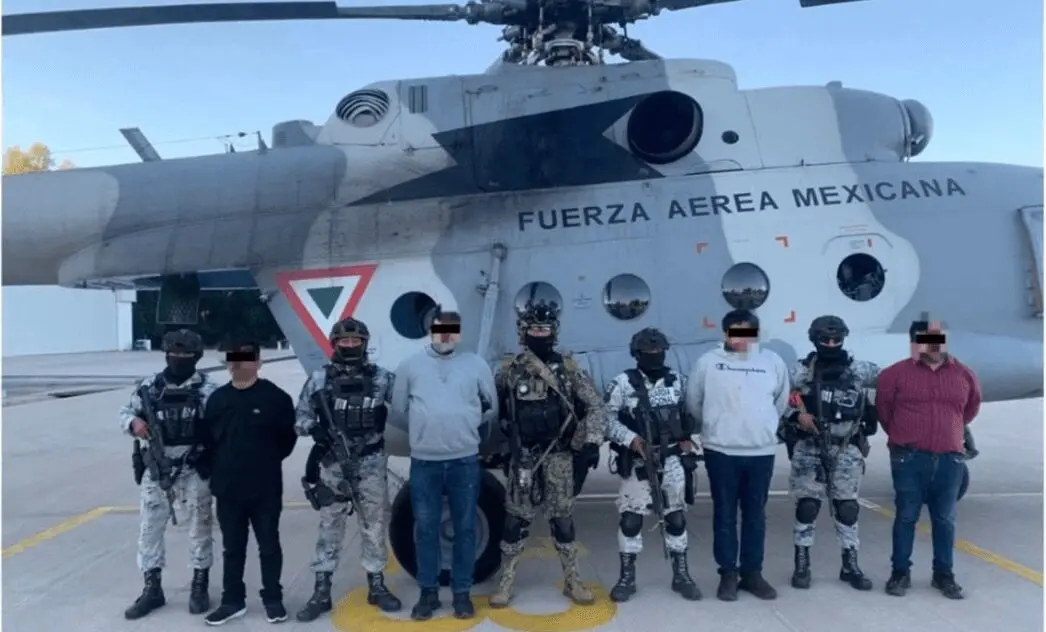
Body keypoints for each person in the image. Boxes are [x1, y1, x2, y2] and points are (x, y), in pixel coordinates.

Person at [489, 300, 605, 608]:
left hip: (558, 458)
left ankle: (573, 581)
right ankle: (505, 584)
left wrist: (588, 441)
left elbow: (594, 406)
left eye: (544, 329)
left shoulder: (568, 370)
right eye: (533, 329)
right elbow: (494, 413)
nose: (539, 334)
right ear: (522, 332)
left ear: (553, 332)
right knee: (515, 522)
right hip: (524, 458)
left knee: (563, 522)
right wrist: (504, 445)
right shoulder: (509, 372)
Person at [390, 309, 498, 621]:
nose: (446, 335)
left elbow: (490, 407)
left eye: (452, 329)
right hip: (425, 461)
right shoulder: (410, 366)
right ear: (431, 331)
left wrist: (461, 426)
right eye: (440, 329)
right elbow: (399, 410)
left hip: (464, 459)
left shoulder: (476, 365)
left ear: (459, 333)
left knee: (464, 528)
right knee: (426, 529)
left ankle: (462, 594)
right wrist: (427, 430)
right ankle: (428, 594)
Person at [295, 317, 402, 622]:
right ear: (335, 344)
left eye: (356, 341)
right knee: (330, 526)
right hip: (333, 466)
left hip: (370, 464)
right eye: (345, 341)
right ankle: (321, 590)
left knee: (373, 525)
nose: (351, 346)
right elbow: (300, 416)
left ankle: (377, 584)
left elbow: (407, 406)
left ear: (364, 343)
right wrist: (315, 430)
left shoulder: (382, 378)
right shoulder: (319, 380)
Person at [684, 309, 789, 602]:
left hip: (760, 452)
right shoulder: (708, 362)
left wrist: (762, 428)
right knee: (725, 514)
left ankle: (752, 573)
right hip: (721, 450)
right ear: (726, 333)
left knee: (755, 515)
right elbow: (694, 402)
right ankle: (728, 574)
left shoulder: (772, 362)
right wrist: (717, 425)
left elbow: (780, 402)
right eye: (735, 331)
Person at [877, 320, 982, 600]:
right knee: (906, 516)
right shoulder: (894, 375)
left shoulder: (964, 374)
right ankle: (900, 573)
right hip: (909, 458)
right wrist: (906, 435)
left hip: (950, 458)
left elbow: (969, 409)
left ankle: (943, 575)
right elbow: (885, 412)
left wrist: (949, 433)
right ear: (914, 343)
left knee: (945, 519)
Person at [120, 329, 218, 620]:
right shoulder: (149, 388)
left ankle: (199, 585)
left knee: (200, 527)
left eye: (186, 355)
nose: (179, 359)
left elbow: (221, 425)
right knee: (150, 528)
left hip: (193, 467)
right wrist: (134, 422)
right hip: (158, 468)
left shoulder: (207, 389)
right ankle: (152, 588)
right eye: (174, 354)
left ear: (196, 357)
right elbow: (124, 413)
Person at [200, 339, 298, 626]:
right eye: (235, 359)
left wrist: (264, 462)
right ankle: (232, 600)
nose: (240, 364)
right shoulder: (217, 400)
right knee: (233, 547)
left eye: (247, 359)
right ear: (229, 364)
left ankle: (273, 599)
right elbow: (208, 440)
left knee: (269, 545)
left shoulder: (276, 399)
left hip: (265, 487)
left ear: (258, 362)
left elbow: (286, 440)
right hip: (228, 489)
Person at [779, 316, 879, 591]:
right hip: (809, 446)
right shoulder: (799, 372)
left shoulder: (859, 370)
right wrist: (795, 415)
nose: (832, 344)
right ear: (815, 340)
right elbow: (773, 395)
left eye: (837, 340)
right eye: (826, 340)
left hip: (846, 446)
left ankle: (850, 564)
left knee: (847, 508)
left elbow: (897, 382)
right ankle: (802, 563)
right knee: (807, 506)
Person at [605, 327, 702, 603]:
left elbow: (689, 413)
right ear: (636, 354)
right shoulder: (623, 383)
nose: (654, 357)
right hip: (638, 460)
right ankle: (627, 577)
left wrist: (686, 437)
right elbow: (606, 418)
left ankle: (681, 574)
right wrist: (630, 438)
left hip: (671, 459)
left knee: (676, 517)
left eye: (658, 352)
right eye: (647, 353)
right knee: (631, 519)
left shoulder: (677, 382)